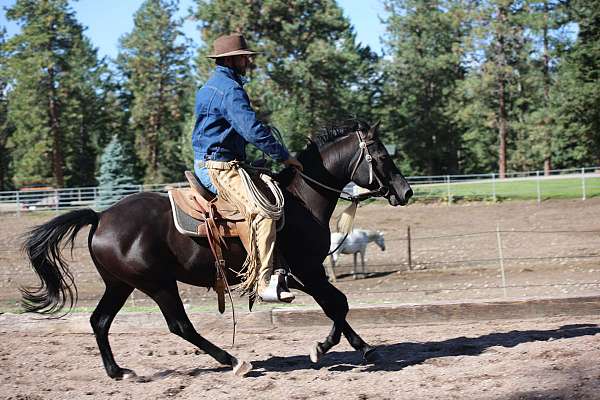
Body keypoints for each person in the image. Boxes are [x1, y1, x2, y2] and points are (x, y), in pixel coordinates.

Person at [192, 33, 303, 303]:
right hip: (219, 167)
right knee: (264, 211)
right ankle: (263, 281)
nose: (248, 61)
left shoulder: (214, 85)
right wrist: (284, 156)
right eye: (244, 57)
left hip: (221, 159)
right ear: (232, 60)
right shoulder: (229, 90)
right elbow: (252, 129)